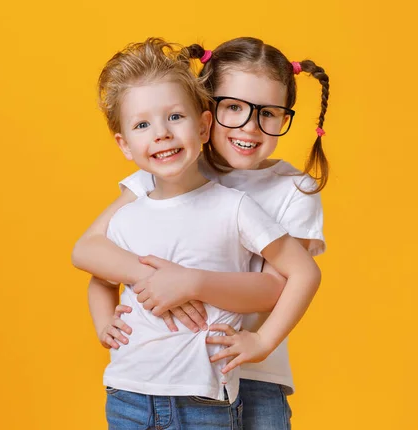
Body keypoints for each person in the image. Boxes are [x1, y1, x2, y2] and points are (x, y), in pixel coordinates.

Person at [75, 37, 321, 429]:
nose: (249, 127)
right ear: (207, 112)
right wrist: (152, 279)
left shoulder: (291, 190)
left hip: (252, 371)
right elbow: (89, 249)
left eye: (269, 113)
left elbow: (274, 289)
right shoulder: (170, 170)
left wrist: (190, 283)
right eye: (234, 108)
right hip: (158, 379)